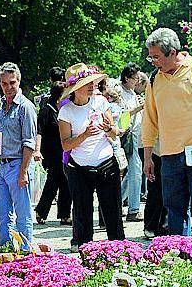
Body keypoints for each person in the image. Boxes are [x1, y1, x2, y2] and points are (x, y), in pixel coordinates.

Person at [141, 27, 192, 242]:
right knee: (174, 211)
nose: (154, 62)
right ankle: (181, 260)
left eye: (156, 57)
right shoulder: (154, 79)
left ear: (173, 52)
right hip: (168, 155)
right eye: (151, 58)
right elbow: (149, 119)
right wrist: (148, 156)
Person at [58, 63, 126, 249]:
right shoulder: (66, 111)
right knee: (82, 213)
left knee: (113, 212)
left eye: (93, 82)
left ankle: (119, 250)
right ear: (75, 89)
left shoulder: (101, 102)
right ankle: (84, 249)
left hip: (106, 164)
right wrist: (84, 135)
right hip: (79, 169)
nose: (92, 86)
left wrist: (109, 128)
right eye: (87, 83)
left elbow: (114, 132)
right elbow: (65, 144)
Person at [0, 62, 38, 249]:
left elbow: (29, 142)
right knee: (3, 213)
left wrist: (23, 172)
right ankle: (5, 250)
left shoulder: (25, 107)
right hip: (3, 165)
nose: (9, 87)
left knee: (23, 213)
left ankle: (26, 252)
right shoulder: (3, 105)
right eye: (4, 83)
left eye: (12, 82)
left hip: (19, 164)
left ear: (19, 81)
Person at [34, 81, 71, 226]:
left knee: (66, 182)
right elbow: (39, 132)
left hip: (64, 150)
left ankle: (64, 214)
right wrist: (37, 150)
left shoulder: (64, 109)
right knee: (53, 181)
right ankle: (41, 210)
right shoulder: (46, 111)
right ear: (59, 96)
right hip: (52, 153)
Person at [118, 63, 145, 221]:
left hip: (136, 136)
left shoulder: (131, 92)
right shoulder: (119, 93)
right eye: (136, 78)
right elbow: (121, 117)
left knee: (132, 172)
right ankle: (133, 209)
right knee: (135, 171)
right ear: (127, 78)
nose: (138, 81)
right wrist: (138, 108)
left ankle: (118, 202)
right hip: (127, 136)